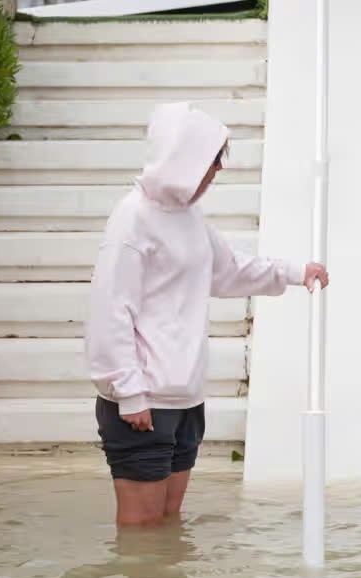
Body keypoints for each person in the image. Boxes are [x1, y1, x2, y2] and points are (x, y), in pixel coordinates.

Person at [85, 102, 329, 528]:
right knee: (141, 534)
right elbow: (110, 311)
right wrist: (129, 391)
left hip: (185, 399)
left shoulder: (189, 218)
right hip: (142, 403)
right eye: (214, 161)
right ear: (186, 159)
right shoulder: (131, 220)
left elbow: (229, 271)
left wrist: (294, 272)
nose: (217, 172)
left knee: (166, 527)